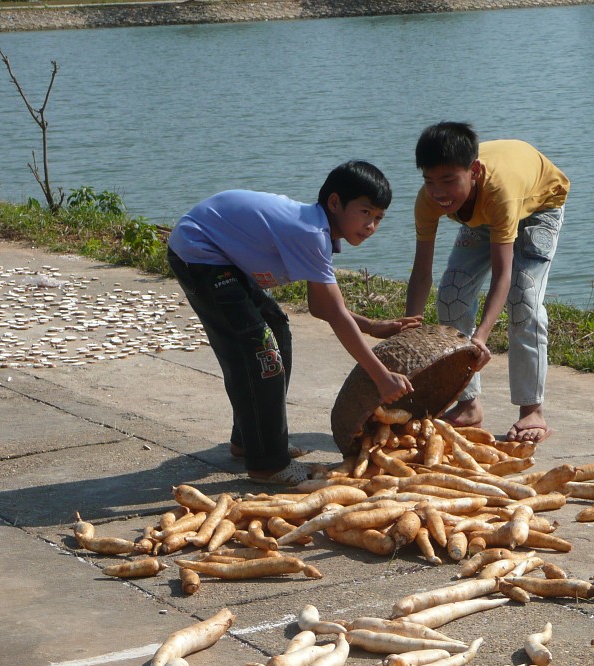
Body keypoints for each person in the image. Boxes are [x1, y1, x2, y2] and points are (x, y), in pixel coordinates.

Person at [167, 160, 421, 486]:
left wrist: (371, 326)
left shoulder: (320, 234)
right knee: (262, 351)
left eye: (379, 218)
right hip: (199, 252)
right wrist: (382, 377)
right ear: (334, 203)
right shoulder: (311, 233)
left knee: (277, 331)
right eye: (365, 212)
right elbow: (336, 315)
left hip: (221, 255)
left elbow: (322, 307)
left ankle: (250, 440)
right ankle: (268, 464)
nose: (371, 225)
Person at [404, 122, 569, 444]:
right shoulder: (430, 200)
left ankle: (531, 410)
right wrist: (409, 327)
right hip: (480, 215)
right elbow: (422, 270)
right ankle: (468, 404)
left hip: (539, 205)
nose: (439, 192)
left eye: (449, 181)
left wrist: (481, 336)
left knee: (523, 297)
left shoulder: (500, 193)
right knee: (451, 294)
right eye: (430, 181)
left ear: (474, 171)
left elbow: (502, 272)